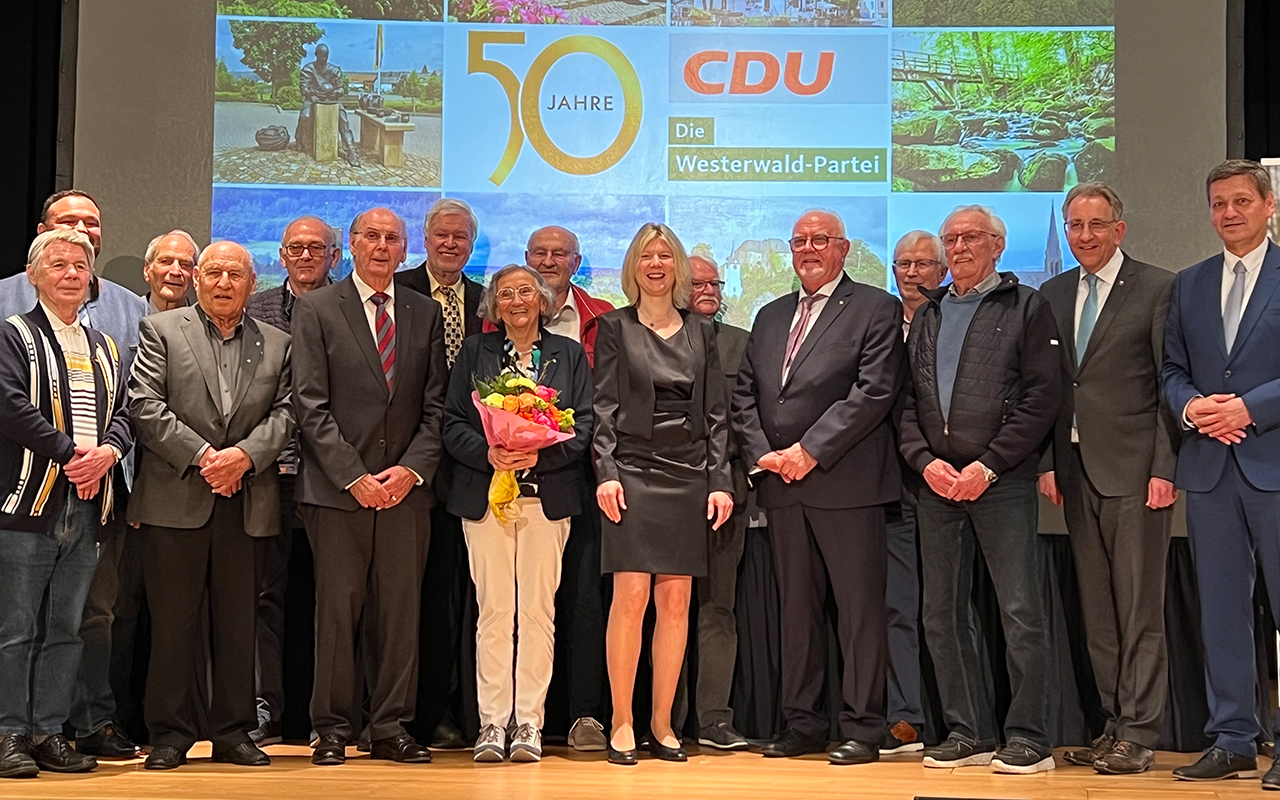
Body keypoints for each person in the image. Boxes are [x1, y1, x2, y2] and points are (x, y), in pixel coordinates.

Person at [732, 209, 903, 766]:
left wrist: (808, 451)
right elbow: (746, 395)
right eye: (800, 240)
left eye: (820, 240)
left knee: (859, 614)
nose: (809, 249)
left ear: (844, 248)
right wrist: (764, 454)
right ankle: (802, 723)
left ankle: (863, 727)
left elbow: (873, 393)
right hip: (781, 486)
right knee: (796, 613)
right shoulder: (769, 314)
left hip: (844, 482)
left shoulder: (877, 307)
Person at [899, 205, 1060, 774]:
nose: (959, 247)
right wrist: (926, 464)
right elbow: (908, 405)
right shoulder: (929, 314)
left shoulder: (1026, 307)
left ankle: (1029, 737)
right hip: (937, 485)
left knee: (1019, 612)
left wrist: (988, 466)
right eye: (951, 239)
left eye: (970, 238)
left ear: (997, 245)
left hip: (1001, 483)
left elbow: (1043, 398)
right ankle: (969, 731)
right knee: (940, 614)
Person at [128, 240, 293, 770]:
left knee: (239, 622)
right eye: (215, 272)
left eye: (236, 275)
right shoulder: (162, 329)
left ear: (253, 282)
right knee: (173, 622)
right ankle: (171, 733)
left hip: (247, 499)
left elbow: (288, 414)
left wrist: (243, 458)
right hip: (177, 496)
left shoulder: (279, 343)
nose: (225, 283)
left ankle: (233, 731)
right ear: (198, 278)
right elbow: (144, 405)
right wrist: (205, 457)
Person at [294, 208, 447, 767]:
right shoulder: (315, 309)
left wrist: (409, 471)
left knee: (400, 612)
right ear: (351, 247)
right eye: (371, 237)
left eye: (392, 238)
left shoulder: (423, 312)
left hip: (407, 492)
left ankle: (389, 725)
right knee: (338, 611)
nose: (382, 247)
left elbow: (436, 408)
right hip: (338, 493)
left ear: (405, 249)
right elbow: (309, 405)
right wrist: (354, 476)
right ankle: (331, 727)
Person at [1036, 183, 1177, 775]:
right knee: (1097, 612)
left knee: (1137, 609)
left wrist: (1164, 469)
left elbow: (1169, 382)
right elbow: (1047, 387)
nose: (1085, 236)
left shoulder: (1157, 287)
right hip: (1074, 472)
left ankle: (1141, 733)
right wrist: (1046, 460)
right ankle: (1113, 725)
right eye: (1075, 225)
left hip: (1136, 472)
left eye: (1096, 225)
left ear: (1119, 229)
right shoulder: (1053, 292)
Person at [0, 190, 146, 760]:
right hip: (28, 503)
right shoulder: (12, 333)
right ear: (34, 275)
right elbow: (11, 406)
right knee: (16, 630)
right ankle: (10, 733)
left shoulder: (106, 345)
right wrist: (71, 455)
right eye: (57, 265)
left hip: (91, 505)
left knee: (67, 628)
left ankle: (48, 732)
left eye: (80, 266)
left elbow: (126, 411)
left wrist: (107, 454)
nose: (70, 275)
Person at [593, 223, 734, 765]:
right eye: (646, 255)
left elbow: (718, 416)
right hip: (630, 471)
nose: (656, 264)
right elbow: (602, 409)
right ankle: (622, 721)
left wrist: (719, 481)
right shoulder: (613, 328)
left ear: (676, 266)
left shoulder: (703, 331)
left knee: (675, 602)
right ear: (635, 266)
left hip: (689, 473)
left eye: (664, 255)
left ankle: (662, 723)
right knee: (630, 598)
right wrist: (605, 471)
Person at [442, 265, 594, 763]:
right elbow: (452, 423)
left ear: (544, 300)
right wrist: (489, 455)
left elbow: (585, 425)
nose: (516, 301)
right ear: (494, 305)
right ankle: (491, 722)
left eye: (525, 291)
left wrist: (539, 455)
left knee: (537, 612)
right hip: (486, 498)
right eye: (505, 293)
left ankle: (528, 722)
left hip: (546, 500)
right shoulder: (474, 353)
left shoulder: (567, 354)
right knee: (494, 612)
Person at [1163, 160, 1280, 788]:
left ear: (1269, 205)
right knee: (1222, 611)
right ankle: (1233, 738)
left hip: (1274, 464)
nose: (1228, 213)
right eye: (1218, 203)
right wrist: (1191, 406)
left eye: (1241, 201)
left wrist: (1248, 409)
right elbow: (1172, 369)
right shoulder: (1189, 283)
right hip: (1210, 469)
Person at [244, 215, 339, 746]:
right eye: (295, 248)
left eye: (317, 248)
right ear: (281, 256)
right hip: (267, 473)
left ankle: (336, 715)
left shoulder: (349, 306)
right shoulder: (253, 308)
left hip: (333, 476)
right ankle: (264, 708)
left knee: (338, 597)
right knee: (265, 595)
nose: (306, 256)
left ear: (334, 255)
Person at [395, 197, 485, 749]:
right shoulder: (397, 291)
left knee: (466, 598)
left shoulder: (486, 300)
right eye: (442, 236)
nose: (451, 245)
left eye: (461, 238)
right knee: (416, 598)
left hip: (477, 466)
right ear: (425, 240)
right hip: (409, 464)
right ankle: (414, 713)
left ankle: (462, 709)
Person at [524, 225, 615, 751]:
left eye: (561, 254)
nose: (550, 261)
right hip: (512, 472)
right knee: (519, 600)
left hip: (585, 472)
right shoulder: (501, 312)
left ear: (576, 262)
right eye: (541, 253)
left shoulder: (601, 314)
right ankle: (515, 715)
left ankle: (584, 713)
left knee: (584, 595)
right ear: (526, 258)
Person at [671, 254, 750, 751]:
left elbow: (750, 417)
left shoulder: (743, 343)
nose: (707, 290)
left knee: (718, 608)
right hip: (663, 494)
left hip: (726, 493)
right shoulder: (648, 339)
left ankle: (715, 720)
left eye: (714, 283)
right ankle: (665, 718)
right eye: (696, 282)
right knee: (665, 608)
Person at [882, 230, 948, 755]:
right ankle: (907, 718)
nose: (912, 272)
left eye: (924, 263)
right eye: (903, 263)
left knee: (951, 607)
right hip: (892, 484)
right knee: (898, 606)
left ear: (943, 270)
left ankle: (965, 721)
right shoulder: (876, 322)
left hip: (954, 481)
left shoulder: (955, 318)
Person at [295, 43, 359, 166]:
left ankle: (351, 151)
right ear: (316, 55)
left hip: (331, 100)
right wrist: (315, 92)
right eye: (321, 56)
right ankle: (302, 140)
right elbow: (304, 89)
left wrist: (334, 92)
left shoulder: (334, 70)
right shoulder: (308, 70)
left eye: (325, 56)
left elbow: (341, 89)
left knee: (343, 119)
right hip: (313, 99)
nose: (323, 59)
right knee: (306, 116)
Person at [141, 230, 197, 314]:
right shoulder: (125, 318)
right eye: (165, 261)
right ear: (147, 270)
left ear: (195, 276)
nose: (175, 272)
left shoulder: (204, 324)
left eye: (185, 265)